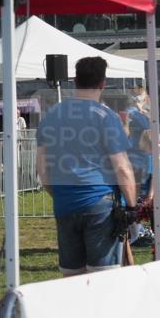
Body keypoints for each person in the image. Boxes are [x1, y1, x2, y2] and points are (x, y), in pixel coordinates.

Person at [36, 56, 137, 276]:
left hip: (64, 202)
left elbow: (42, 170)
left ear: (75, 80)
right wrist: (132, 206)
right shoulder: (107, 117)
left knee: (72, 277)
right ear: (103, 83)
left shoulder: (51, 116)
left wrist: (58, 194)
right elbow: (122, 167)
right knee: (103, 277)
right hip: (99, 203)